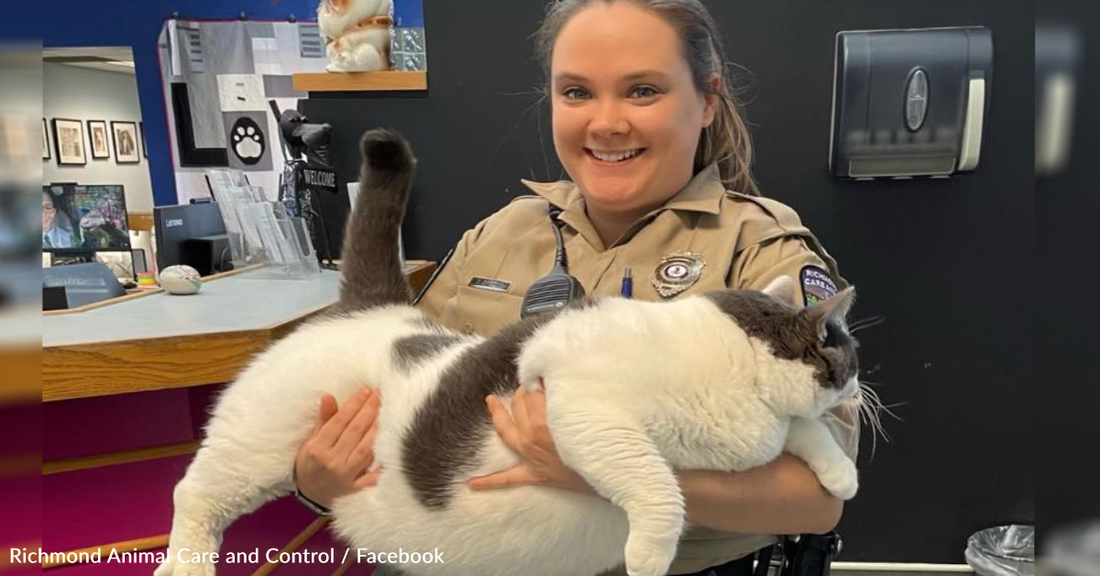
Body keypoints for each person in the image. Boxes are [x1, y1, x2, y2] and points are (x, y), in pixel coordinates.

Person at [294, 1, 860, 574]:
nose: (606, 123)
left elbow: (817, 499)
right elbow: (387, 392)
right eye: (577, 93)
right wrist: (320, 476)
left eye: (642, 91)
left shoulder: (760, 253)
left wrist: (602, 471)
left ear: (707, 101)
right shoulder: (500, 235)